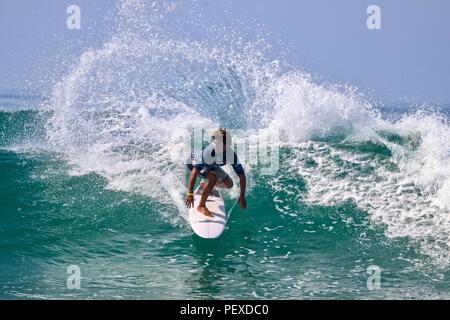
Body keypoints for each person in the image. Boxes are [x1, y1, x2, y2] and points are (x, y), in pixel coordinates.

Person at [186, 128, 247, 217]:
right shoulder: (209, 152)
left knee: (229, 184)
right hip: (193, 164)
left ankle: (206, 187)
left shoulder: (231, 155)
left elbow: (241, 175)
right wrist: (190, 194)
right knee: (213, 178)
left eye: (219, 144)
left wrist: (242, 195)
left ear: (227, 145)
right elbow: (194, 172)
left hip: (211, 165)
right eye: (215, 142)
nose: (215, 146)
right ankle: (201, 206)